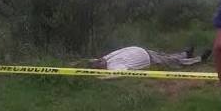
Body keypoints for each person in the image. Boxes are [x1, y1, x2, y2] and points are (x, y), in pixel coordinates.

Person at [81, 46, 211, 70]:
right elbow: (118, 74)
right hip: (149, 59)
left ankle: (186, 54)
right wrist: (101, 77)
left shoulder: (106, 58)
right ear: (100, 68)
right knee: (173, 61)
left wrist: (82, 62)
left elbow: (91, 61)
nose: (99, 60)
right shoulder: (113, 67)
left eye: (98, 60)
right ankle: (199, 59)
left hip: (146, 51)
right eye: (98, 63)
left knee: (168, 56)